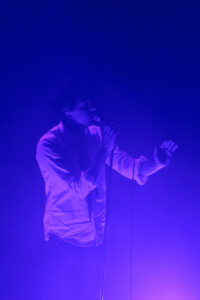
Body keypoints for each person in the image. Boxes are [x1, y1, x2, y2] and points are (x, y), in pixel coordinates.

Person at [36, 81, 178, 300]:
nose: (93, 109)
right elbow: (79, 187)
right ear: (68, 111)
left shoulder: (96, 135)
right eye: (85, 105)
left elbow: (129, 167)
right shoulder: (49, 144)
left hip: (95, 240)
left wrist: (157, 163)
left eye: (92, 103)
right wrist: (104, 150)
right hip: (63, 242)